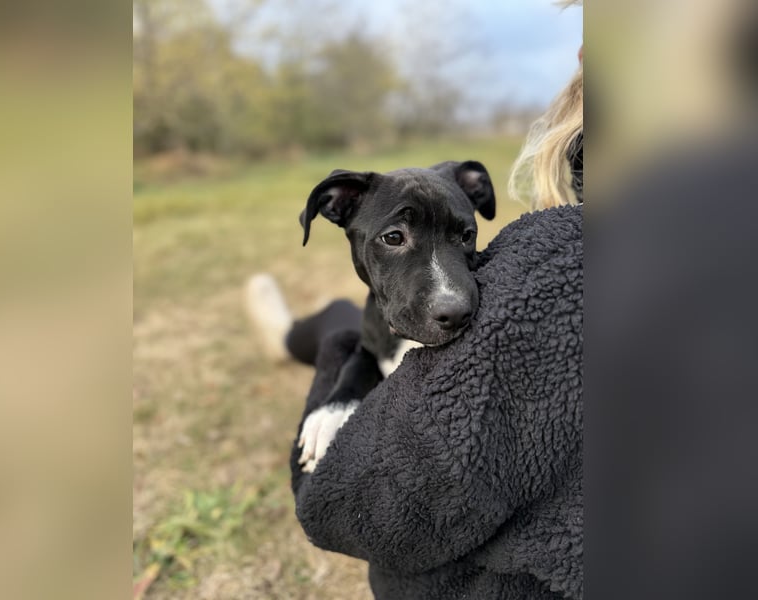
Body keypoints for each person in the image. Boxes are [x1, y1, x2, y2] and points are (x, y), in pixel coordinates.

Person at [245, 10, 583, 600]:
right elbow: (376, 351)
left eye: (461, 236)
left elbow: (344, 497)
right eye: (395, 239)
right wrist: (348, 389)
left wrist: (337, 387)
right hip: (380, 329)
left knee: (339, 325)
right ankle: (282, 334)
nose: (452, 294)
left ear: (477, 199)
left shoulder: (553, 266)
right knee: (355, 327)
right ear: (337, 211)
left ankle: (284, 335)